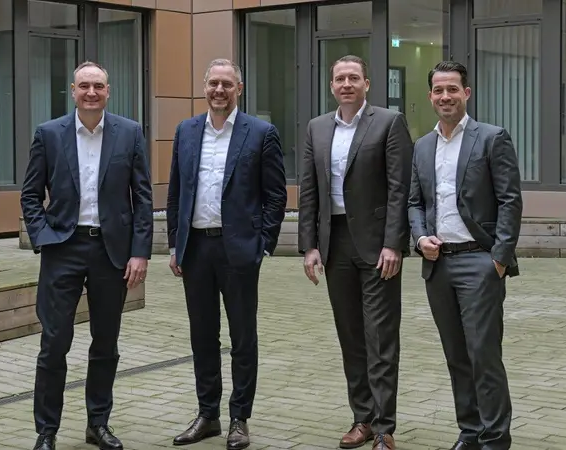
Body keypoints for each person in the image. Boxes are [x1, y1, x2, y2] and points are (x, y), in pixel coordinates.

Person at [20, 61, 153, 450]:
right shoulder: (49, 134)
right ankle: (46, 431)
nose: (91, 92)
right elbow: (30, 194)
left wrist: (140, 251)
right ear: (73, 91)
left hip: (111, 251)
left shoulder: (129, 133)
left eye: (98, 86)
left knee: (105, 343)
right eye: (84, 86)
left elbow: (142, 197)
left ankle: (98, 423)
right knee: (54, 342)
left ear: (108, 91)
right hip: (63, 247)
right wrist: (42, 237)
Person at [166, 58, 287, 450]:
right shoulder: (186, 130)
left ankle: (239, 418)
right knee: (202, 335)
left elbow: (275, 195)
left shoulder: (261, 133)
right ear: (205, 87)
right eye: (213, 83)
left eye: (227, 84)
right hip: (196, 249)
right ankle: (207, 415)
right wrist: (174, 244)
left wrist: (262, 245)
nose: (219, 90)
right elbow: (175, 194)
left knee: (242, 337)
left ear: (239, 87)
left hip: (239, 251)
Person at [297, 55, 413, 450]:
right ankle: (361, 418)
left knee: (379, 337)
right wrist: (309, 245)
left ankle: (384, 427)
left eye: (353, 78)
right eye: (339, 78)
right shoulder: (316, 128)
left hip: (378, 245)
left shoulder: (388, 122)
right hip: (335, 244)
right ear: (332, 86)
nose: (346, 84)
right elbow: (309, 189)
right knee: (350, 336)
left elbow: (401, 188)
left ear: (367, 83)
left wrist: (394, 242)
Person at [408, 61, 522, 450]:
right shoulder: (422, 146)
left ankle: (495, 439)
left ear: (466, 93)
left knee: (484, 356)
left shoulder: (491, 138)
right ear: (430, 96)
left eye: (452, 89)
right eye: (438, 90)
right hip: (438, 266)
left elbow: (510, 200)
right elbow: (414, 203)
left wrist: (500, 259)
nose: (445, 96)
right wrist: (420, 237)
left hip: (480, 262)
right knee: (456, 356)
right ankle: (470, 432)